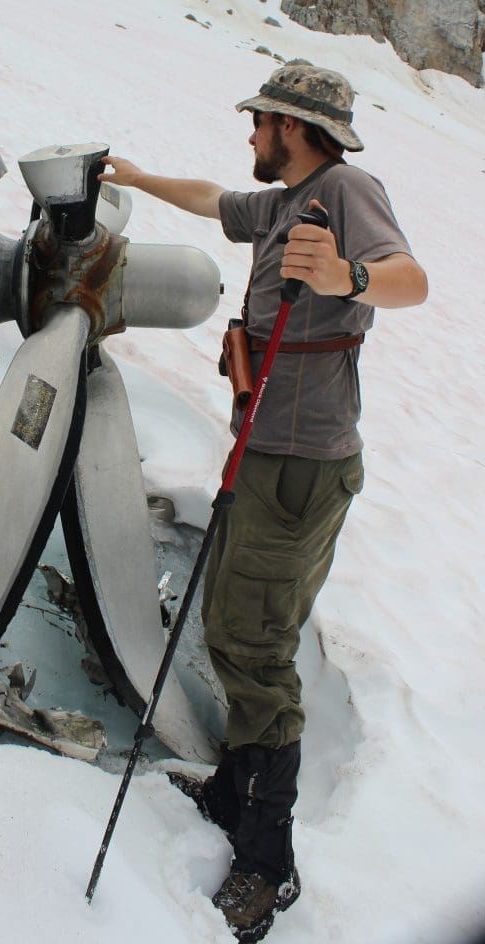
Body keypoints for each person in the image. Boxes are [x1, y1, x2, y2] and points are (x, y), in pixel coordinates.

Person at [99, 62, 428, 942]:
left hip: (300, 467)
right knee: (224, 621)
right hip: (260, 448)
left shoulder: (346, 189)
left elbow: (410, 278)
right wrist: (134, 178)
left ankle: (266, 864)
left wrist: (348, 280)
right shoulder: (282, 201)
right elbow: (212, 198)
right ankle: (233, 791)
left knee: (258, 644)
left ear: (293, 124)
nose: (248, 136)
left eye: (259, 122)